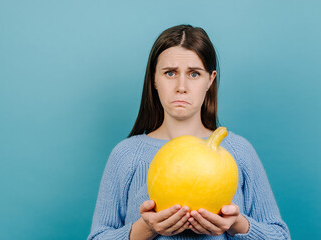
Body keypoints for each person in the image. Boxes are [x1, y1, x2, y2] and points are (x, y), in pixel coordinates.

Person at [87, 24, 291, 239]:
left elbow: (280, 236)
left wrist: (237, 225)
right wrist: (145, 229)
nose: (181, 86)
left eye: (194, 74)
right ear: (154, 79)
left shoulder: (239, 151)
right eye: (170, 73)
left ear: (210, 80)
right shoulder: (126, 154)